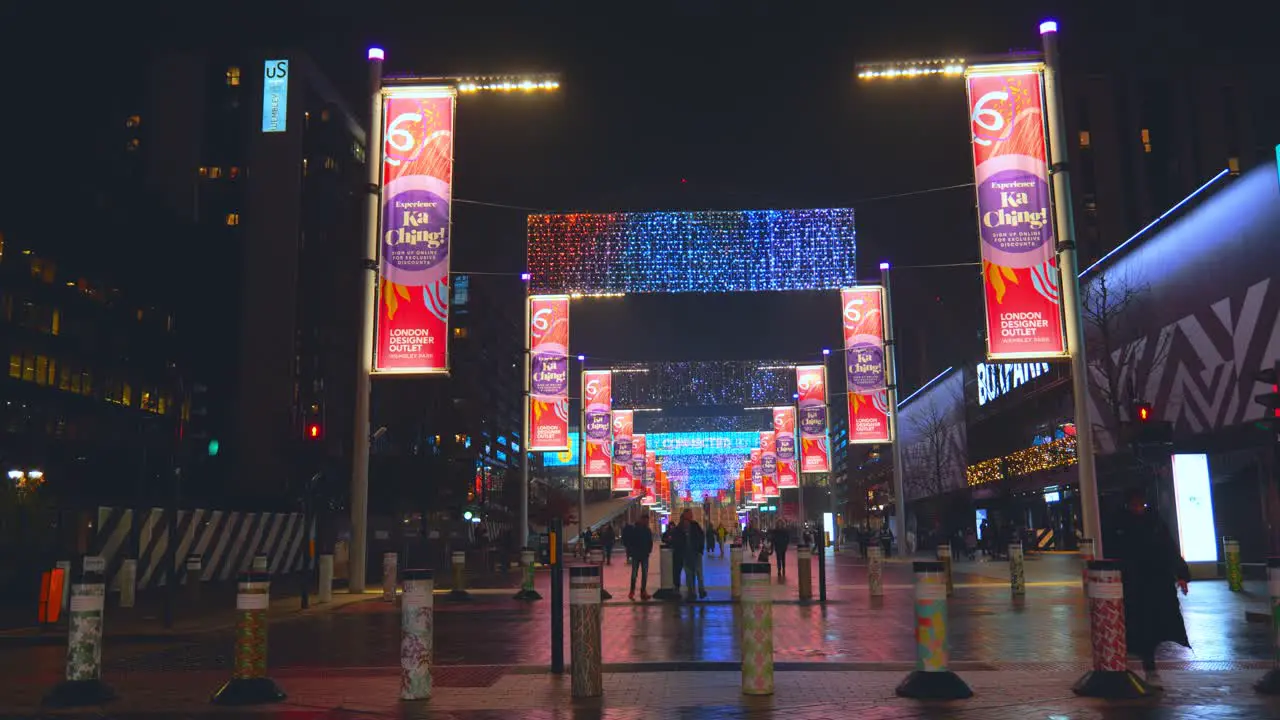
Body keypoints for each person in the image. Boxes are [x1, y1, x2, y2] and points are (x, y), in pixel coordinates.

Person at [1108, 488, 1190, 688]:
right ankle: (1142, 668)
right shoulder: (1119, 523)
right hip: (1132, 584)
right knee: (1137, 628)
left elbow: (1169, 548)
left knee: (1150, 628)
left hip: (1155, 583)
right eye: (1134, 505)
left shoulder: (1154, 522)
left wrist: (1181, 575)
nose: (1138, 509)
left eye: (1141, 505)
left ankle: (1149, 668)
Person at [624, 514, 654, 601]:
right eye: (645, 520)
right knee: (635, 574)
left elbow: (650, 542)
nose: (646, 522)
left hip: (644, 554)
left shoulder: (647, 530)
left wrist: (649, 550)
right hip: (636, 555)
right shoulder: (635, 529)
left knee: (644, 574)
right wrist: (631, 552)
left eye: (647, 520)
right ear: (641, 520)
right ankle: (632, 591)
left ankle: (642, 591)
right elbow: (630, 541)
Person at [679, 510, 707, 600]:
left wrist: (700, 549)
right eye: (690, 514)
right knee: (689, 574)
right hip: (686, 554)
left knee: (698, 573)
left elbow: (701, 536)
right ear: (685, 515)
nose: (692, 516)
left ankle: (701, 590)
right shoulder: (680, 527)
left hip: (696, 553)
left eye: (692, 514)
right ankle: (691, 592)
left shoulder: (695, 525)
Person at [668, 516, 687, 596]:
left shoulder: (677, 530)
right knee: (678, 571)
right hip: (680, 553)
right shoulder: (678, 530)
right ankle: (677, 587)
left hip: (681, 553)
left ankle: (678, 587)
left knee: (679, 571)